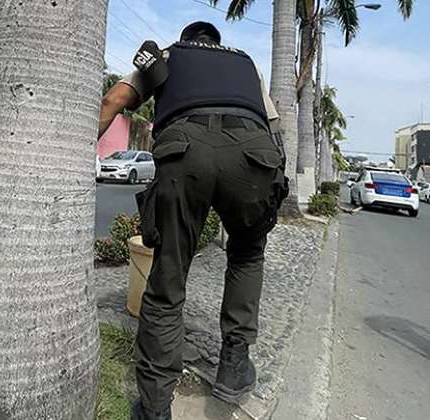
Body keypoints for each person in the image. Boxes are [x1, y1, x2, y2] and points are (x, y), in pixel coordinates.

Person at [98, 22, 288, 420]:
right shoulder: (245, 64)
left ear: (188, 39)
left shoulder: (168, 54)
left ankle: (154, 408)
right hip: (254, 155)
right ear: (217, 43)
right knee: (247, 254)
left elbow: (116, 99)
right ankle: (234, 366)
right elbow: (273, 127)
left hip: (186, 150)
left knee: (168, 277)